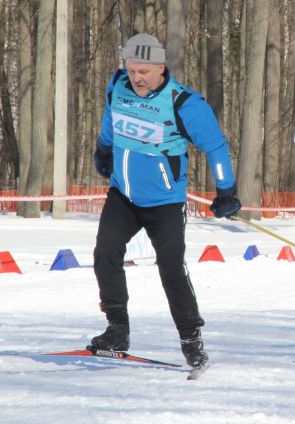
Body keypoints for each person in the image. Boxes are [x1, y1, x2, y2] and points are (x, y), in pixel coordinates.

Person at [89, 33, 241, 370]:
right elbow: (110, 119)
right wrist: (103, 148)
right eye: (132, 70)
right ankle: (117, 329)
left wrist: (226, 190)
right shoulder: (118, 85)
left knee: (171, 268)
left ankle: (191, 339)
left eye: (143, 71)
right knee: (105, 253)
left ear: (161, 68)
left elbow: (215, 147)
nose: (137, 77)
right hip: (123, 195)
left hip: (164, 202)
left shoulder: (183, 103)